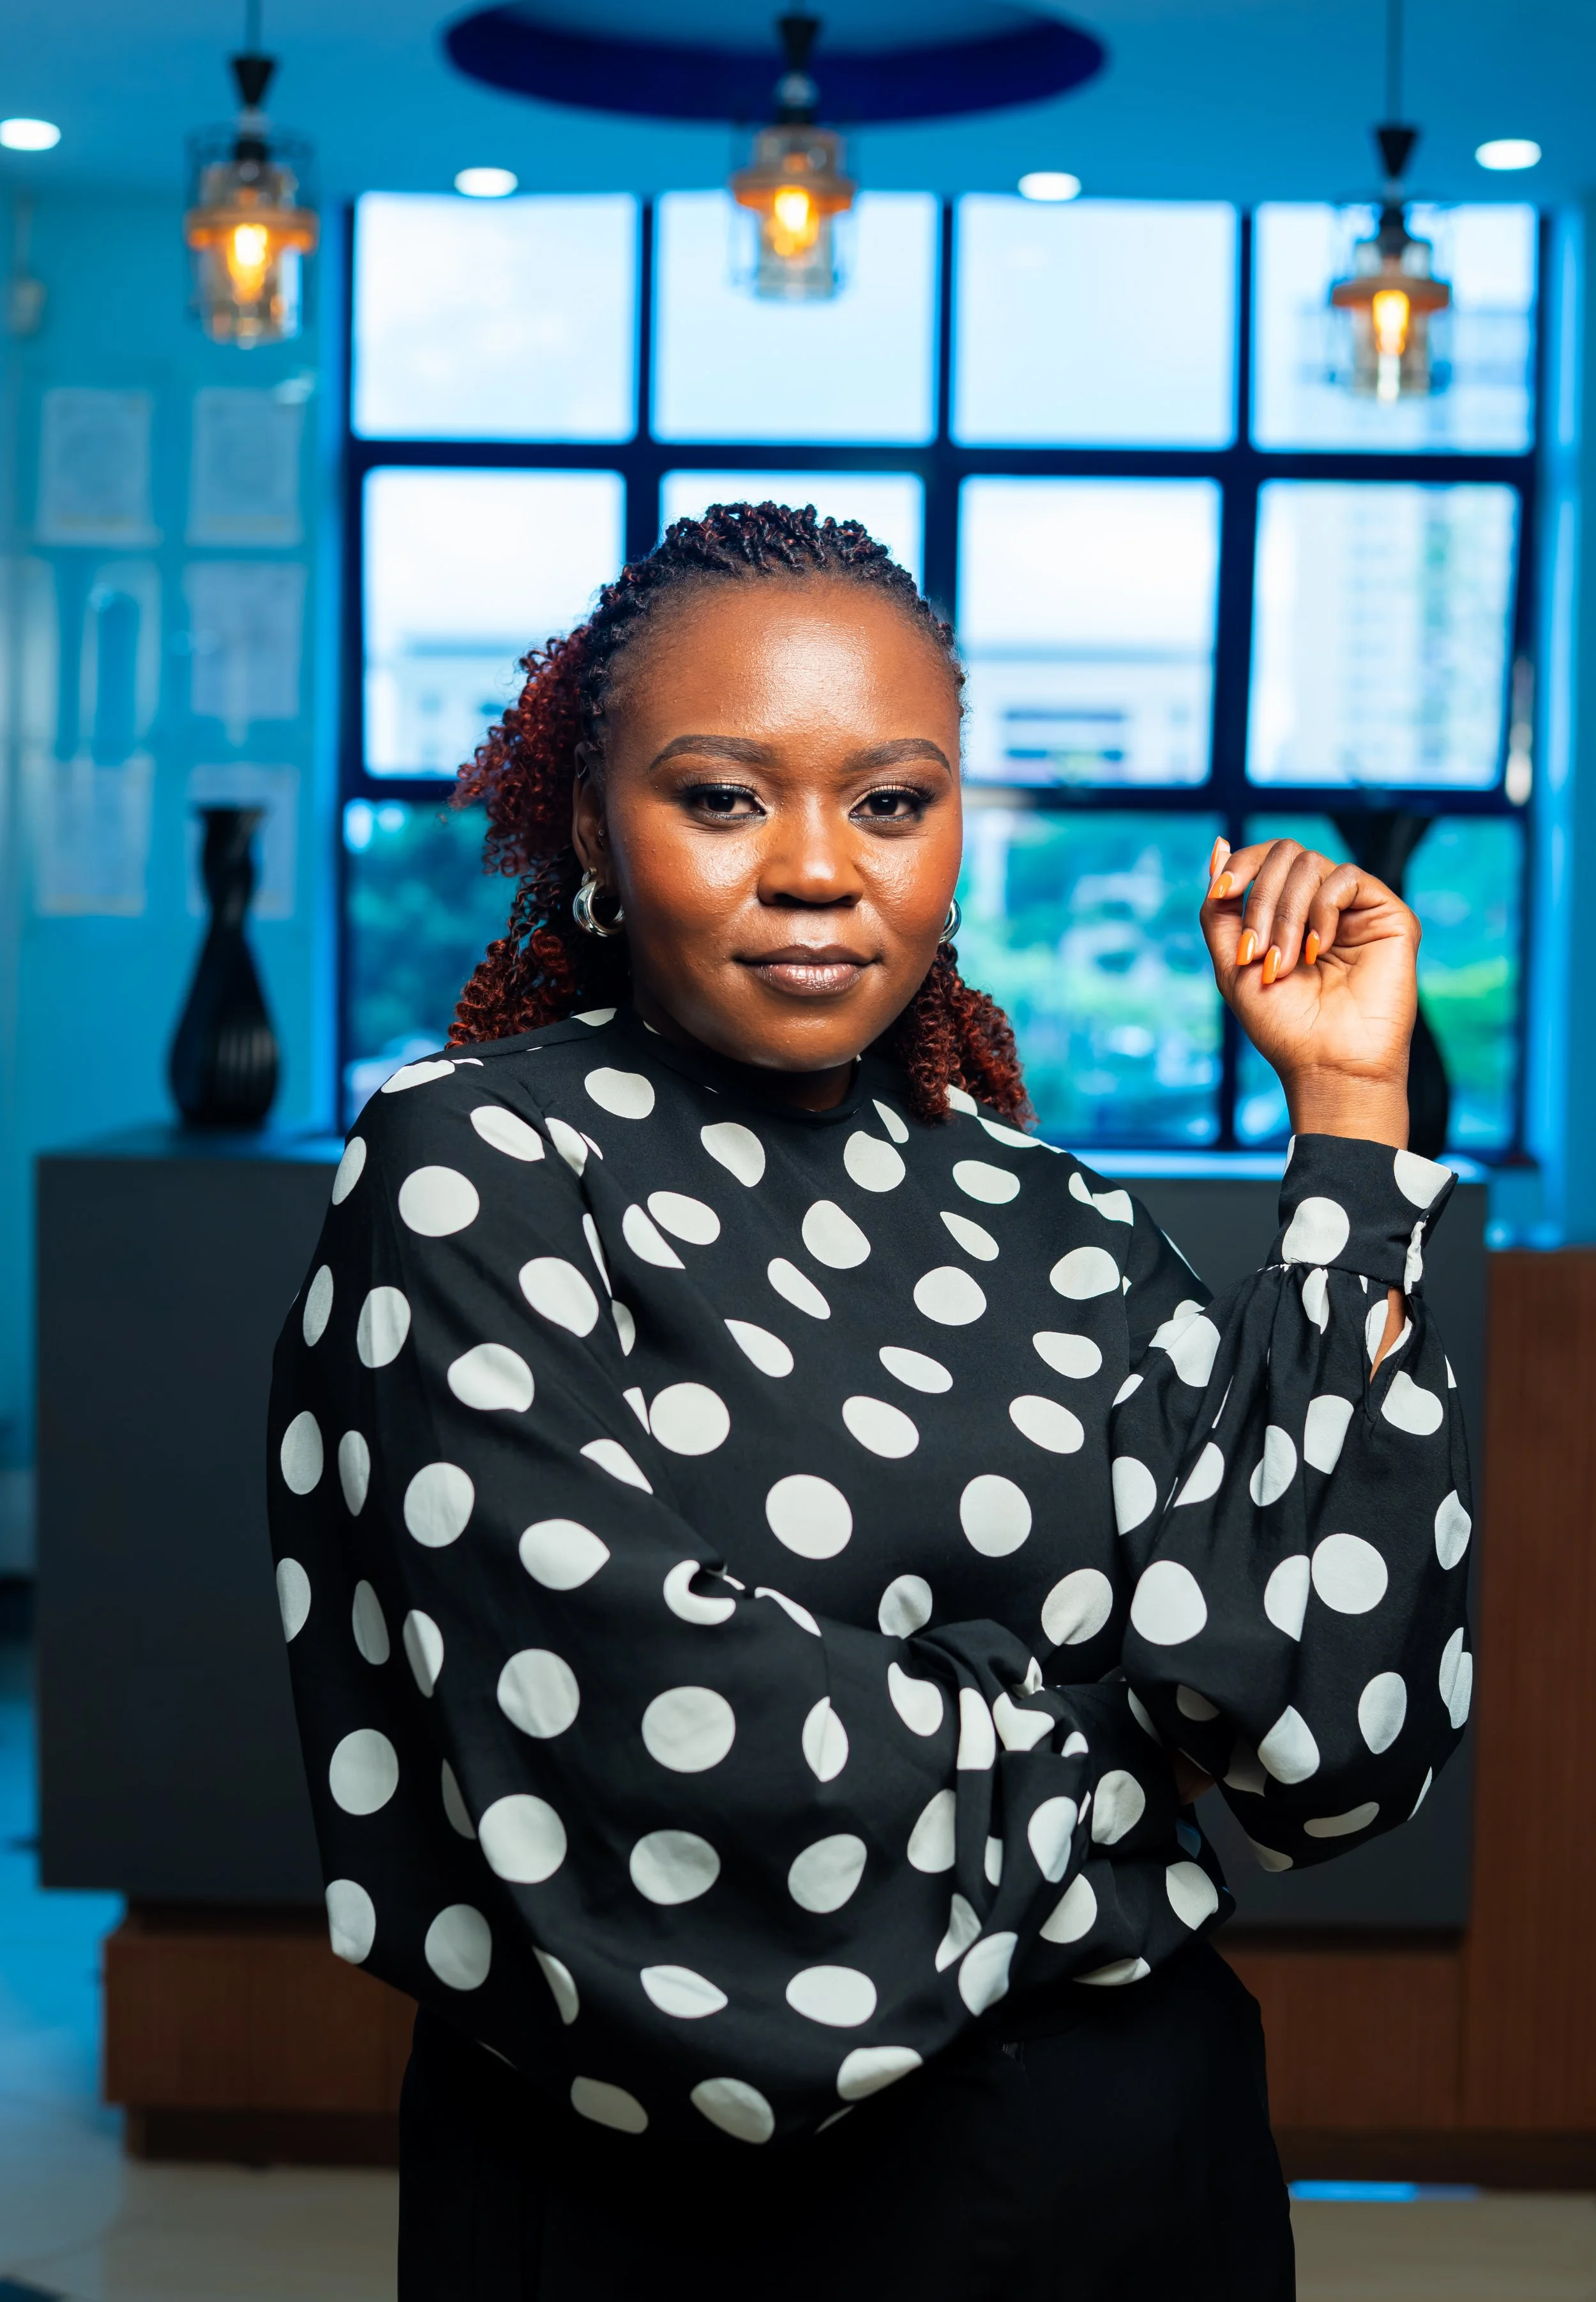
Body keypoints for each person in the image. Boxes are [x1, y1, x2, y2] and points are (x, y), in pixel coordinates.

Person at [268, 504, 1472, 2301]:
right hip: (681, 2221)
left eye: (891, 801)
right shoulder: (473, 1166)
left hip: (1141, 2181)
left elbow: (1326, 1732)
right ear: (595, 824)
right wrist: (1131, 1761)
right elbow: (655, 1774)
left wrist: (1351, 1119)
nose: (821, 869)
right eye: (724, 796)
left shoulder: (1051, 1213)